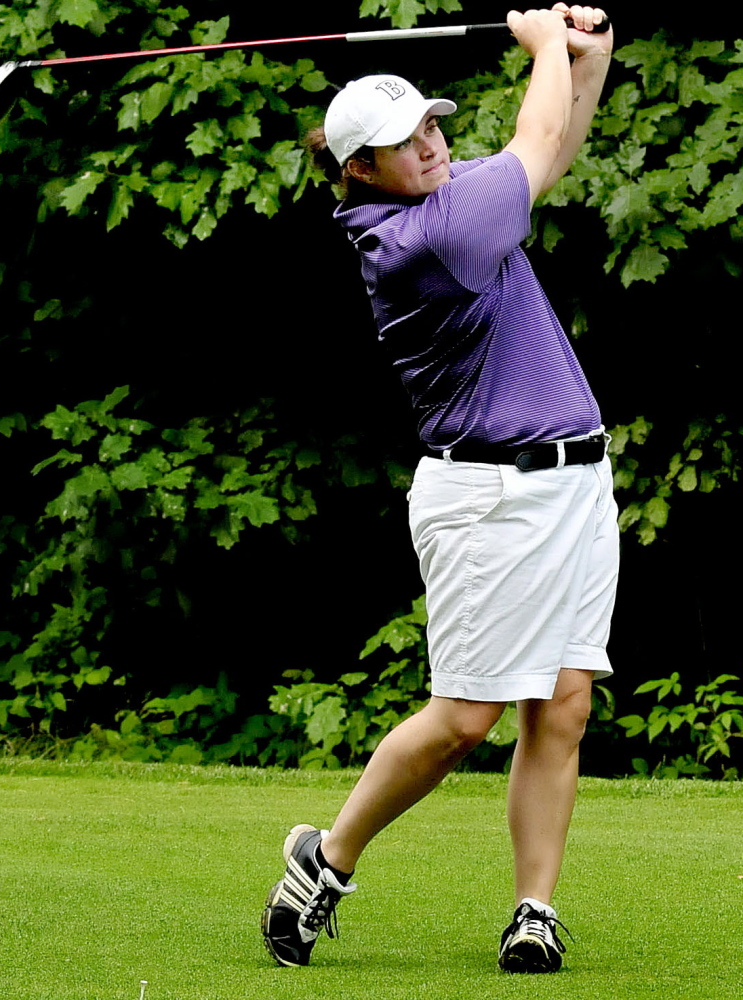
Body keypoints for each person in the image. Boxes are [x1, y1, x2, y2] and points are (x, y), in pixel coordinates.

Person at [262, 4, 617, 974]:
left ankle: (533, 910)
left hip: (576, 482)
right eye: (398, 142)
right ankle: (323, 861)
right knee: (467, 716)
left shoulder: (450, 202)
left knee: (566, 701)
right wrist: (547, 48)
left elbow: (556, 146)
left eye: (429, 125)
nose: (427, 145)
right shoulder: (428, 238)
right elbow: (537, 141)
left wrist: (588, 62)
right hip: (487, 498)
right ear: (358, 173)